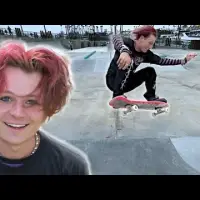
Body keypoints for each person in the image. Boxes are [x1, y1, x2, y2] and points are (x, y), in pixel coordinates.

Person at [0, 40, 92, 175]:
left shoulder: (71, 167)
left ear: (51, 106)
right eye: (5, 98)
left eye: (31, 102)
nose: (17, 113)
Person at [106, 25, 197, 102]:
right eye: (150, 43)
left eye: (152, 44)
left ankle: (150, 96)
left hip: (127, 83)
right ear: (141, 38)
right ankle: (117, 95)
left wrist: (184, 60)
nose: (151, 47)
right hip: (113, 81)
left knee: (150, 71)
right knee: (128, 60)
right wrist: (124, 51)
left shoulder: (146, 54)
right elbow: (115, 38)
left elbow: (162, 61)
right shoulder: (127, 43)